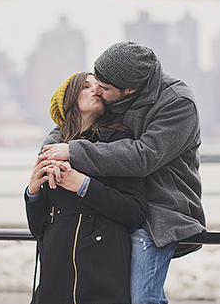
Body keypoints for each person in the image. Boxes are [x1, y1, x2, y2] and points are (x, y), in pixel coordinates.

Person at [41, 41, 206, 304]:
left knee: (143, 298)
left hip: (158, 212)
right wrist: (51, 152)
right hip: (115, 208)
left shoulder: (177, 102)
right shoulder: (113, 98)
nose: (96, 91)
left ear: (129, 90)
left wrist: (73, 153)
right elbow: (71, 124)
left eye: (103, 88)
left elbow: (144, 156)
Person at [26, 71, 147, 304]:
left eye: (99, 86)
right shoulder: (52, 148)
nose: (96, 90)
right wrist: (33, 191)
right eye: (86, 86)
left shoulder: (120, 141)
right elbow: (38, 228)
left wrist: (83, 185)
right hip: (55, 276)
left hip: (103, 276)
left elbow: (135, 211)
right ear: (70, 100)